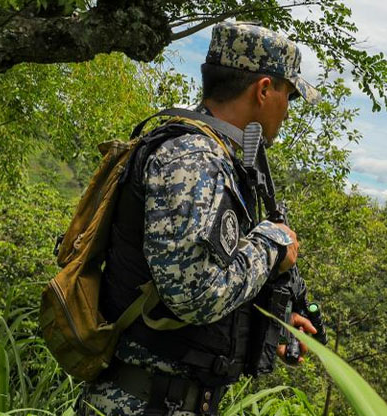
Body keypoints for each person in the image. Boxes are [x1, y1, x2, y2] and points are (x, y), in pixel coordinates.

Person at [76, 21, 320, 416]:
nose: (288, 112)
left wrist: (271, 319)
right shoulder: (193, 159)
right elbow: (195, 295)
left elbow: (209, 269)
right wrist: (273, 245)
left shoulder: (218, 159)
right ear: (263, 90)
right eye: (288, 96)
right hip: (143, 403)